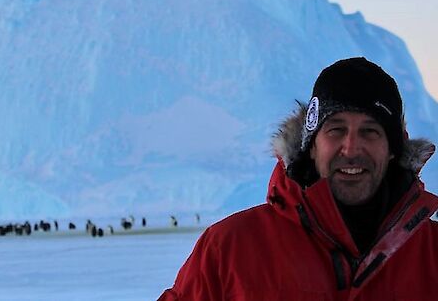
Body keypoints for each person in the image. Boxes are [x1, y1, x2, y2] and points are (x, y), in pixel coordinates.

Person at [158, 57, 438, 300]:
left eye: (370, 132)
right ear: (311, 146)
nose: (351, 148)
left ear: (393, 149)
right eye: (336, 130)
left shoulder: (432, 255)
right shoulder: (229, 249)